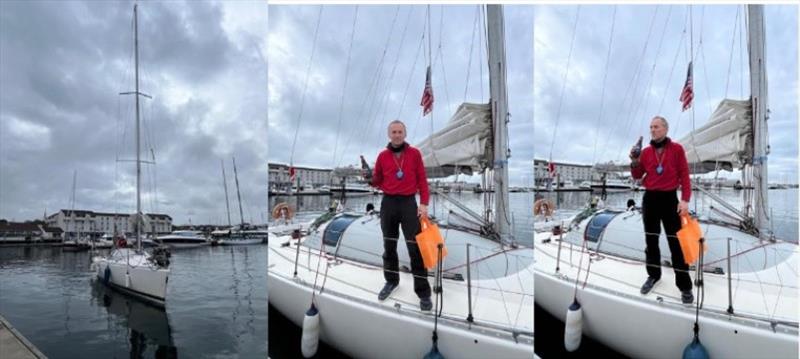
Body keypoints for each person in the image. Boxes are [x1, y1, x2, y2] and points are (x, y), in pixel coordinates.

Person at [366, 120, 432, 311]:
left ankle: (423, 292)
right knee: (389, 245)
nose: (396, 135)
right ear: (389, 134)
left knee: (415, 248)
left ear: (404, 133)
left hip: (408, 203)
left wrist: (424, 204)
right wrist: (369, 179)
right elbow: (378, 181)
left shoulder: (414, 154)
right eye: (393, 132)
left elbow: (422, 180)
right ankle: (391, 281)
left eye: (400, 131)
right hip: (388, 203)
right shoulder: (382, 156)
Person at [630, 116, 694, 304]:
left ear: (665, 129)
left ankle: (684, 286)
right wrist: (634, 161)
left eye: (656, 127)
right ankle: (654, 275)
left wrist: (685, 200)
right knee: (651, 240)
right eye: (651, 127)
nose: (653, 130)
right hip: (650, 199)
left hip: (669, 199)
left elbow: (684, 175)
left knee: (676, 244)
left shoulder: (676, 149)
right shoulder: (646, 152)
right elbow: (637, 175)